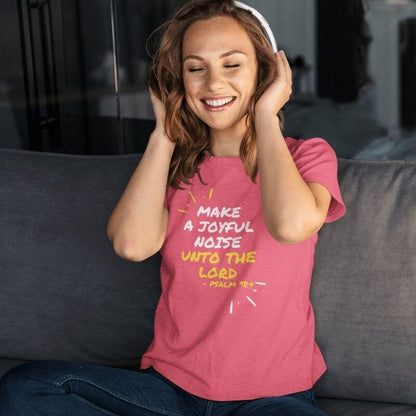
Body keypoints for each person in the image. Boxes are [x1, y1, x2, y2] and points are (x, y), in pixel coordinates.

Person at [0, 0, 346, 414]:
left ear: (266, 72)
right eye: (195, 68)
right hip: (171, 391)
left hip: (272, 397)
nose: (213, 84)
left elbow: (291, 226)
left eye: (232, 65)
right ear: (179, 81)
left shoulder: (307, 156)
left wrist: (266, 116)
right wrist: (164, 134)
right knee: (27, 386)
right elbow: (132, 244)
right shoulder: (173, 167)